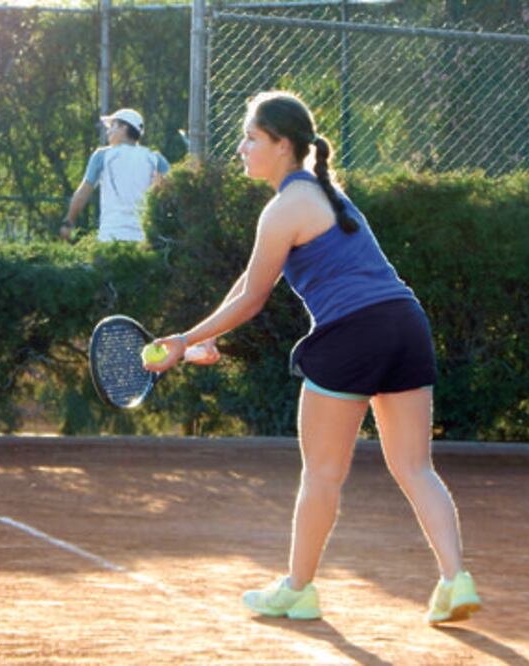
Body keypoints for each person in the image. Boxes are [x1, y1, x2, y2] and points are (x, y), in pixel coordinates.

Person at [143, 91, 481, 624]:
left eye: (251, 138)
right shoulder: (328, 195)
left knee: (322, 474)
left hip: (353, 333)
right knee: (416, 467)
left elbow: (253, 299)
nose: (241, 148)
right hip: (405, 323)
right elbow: (250, 283)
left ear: (282, 144)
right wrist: (204, 335)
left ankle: (298, 590)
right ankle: (455, 579)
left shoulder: (284, 208)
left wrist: (183, 341)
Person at [60, 108, 170, 243]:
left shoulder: (102, 156)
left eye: (112, 126)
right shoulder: (156, 159)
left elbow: (83, 193)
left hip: (111, 236)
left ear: (124, 127)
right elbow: (170, 194)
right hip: (144, 239)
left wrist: (69, 222)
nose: (108, 131)